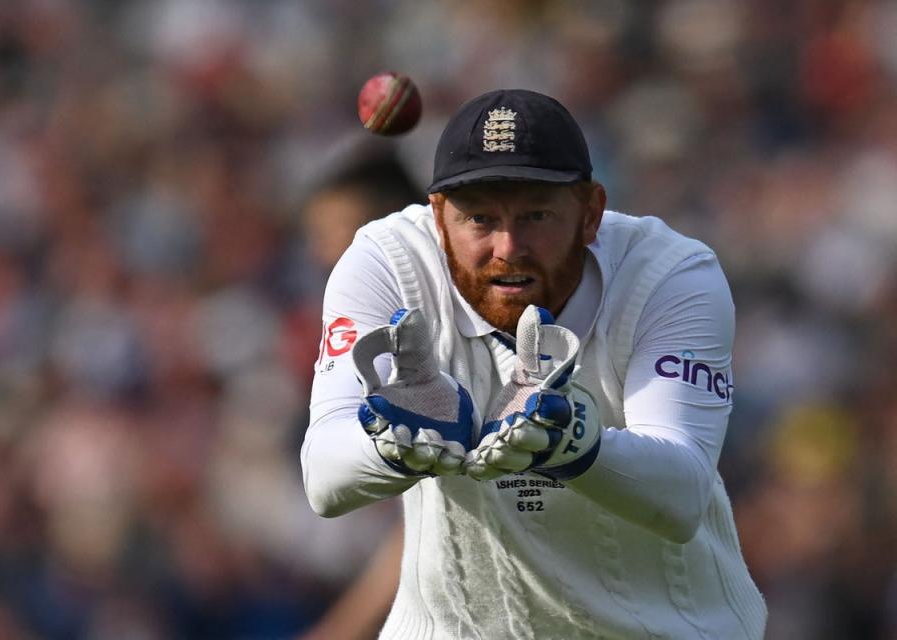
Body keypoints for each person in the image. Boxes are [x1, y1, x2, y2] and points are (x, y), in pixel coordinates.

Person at [301, 89, 767, 639]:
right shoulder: (387, 261)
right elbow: (325, 479)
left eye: (536, 215)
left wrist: (573, 444)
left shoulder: (669, 274)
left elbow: (682, 492)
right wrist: (391, 443)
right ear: (439, 217)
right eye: (480, 218)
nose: (507, 247)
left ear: (591, 212)